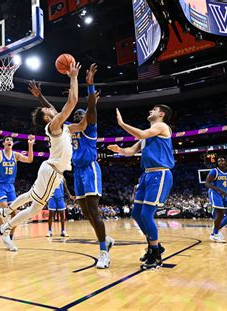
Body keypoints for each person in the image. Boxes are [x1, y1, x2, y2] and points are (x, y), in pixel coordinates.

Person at [0, 63, 85, 257]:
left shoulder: (62, 125)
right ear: (46, 118)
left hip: (53, 172)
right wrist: (74, 77)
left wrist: (92, 105)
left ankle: (7, 214)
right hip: (52, 170)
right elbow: (73, 100)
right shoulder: (54, 124)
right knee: (36, 207)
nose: (52, 108)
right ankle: (5, 226)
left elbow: (81, 125)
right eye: (49, 110)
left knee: (31, 199)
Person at [28, 63, 114, 268]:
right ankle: (107, 239)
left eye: (79, 114)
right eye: (75, 114)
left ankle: (103, 251)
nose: (76, 115)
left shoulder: (89, 126)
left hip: (90, 168)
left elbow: (90, 110)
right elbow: (56, 113)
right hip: (77, 172)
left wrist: (90, 88)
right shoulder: (67, 128)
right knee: (85, 211)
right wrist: (40, 97)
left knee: (94, 210)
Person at [108, 104, 174, 270]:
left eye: (154, 109)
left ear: (161, 113)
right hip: (147, 175)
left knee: (146, 214)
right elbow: (130, 151)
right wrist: (119, 150)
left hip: (160, 174)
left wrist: (122, 124)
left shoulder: (161, 126)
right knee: (137, 213)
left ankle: (156, 255)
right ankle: (155, 246)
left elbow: (142, 133)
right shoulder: (146, 137)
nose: (150, 111)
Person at [0, 130, 35, 253]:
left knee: (15, 214)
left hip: (10, 187)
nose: (9, 141)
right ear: (4, 144)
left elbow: (30, 160)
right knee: (4, 212)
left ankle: (8, 239)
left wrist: (30, 145)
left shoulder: (15, 155)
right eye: (7, 140)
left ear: (13, 144)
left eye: (11, 140)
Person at [205, 156, 227, 243]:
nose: (220, 162)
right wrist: (219, 190)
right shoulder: (214, 171)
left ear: (226, 162)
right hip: (215, 193)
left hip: (225, 194)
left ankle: (217, 227)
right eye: (219, 161)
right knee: (220, 213)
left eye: (222, 160)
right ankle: (214, 234)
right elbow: (207, 183)